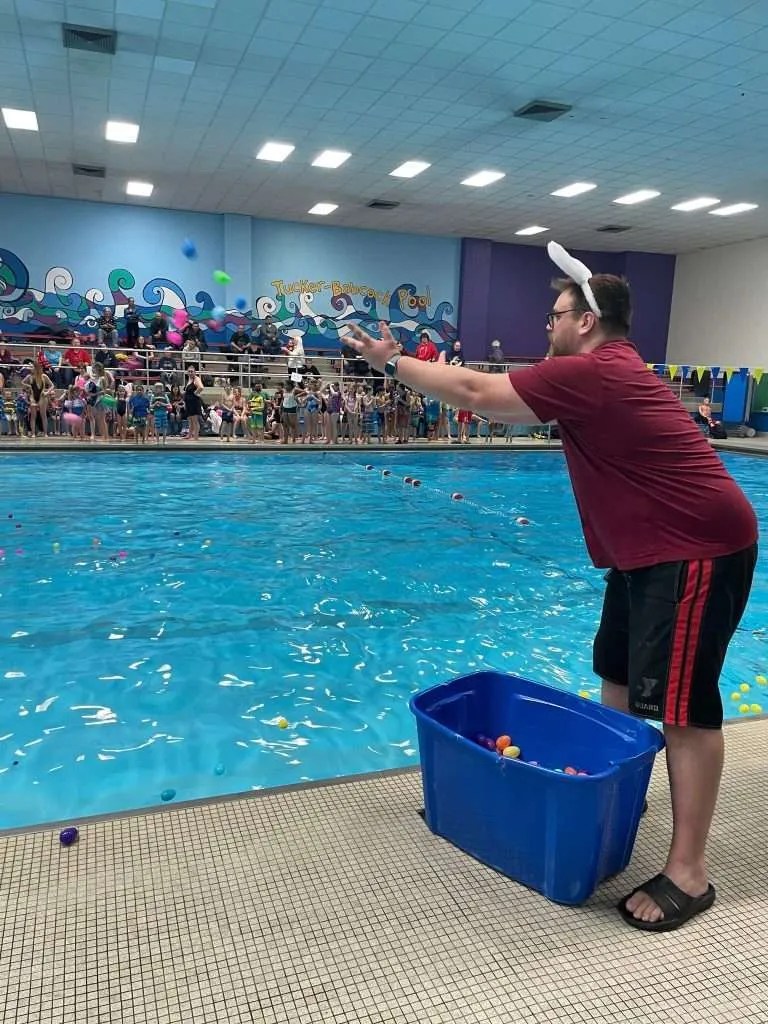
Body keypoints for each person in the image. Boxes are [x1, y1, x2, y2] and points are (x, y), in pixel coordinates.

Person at [346, 241, 758, 933]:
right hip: (647, 551)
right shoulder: (599, 371)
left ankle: (691, 870)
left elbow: (481, 396)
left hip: (696, 547)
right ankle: (620, 800)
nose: (547, 326)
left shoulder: (595, 373)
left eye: (556, 314)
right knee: (617, 678)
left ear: (588, 323)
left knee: (684, 709)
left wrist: (391, 362)